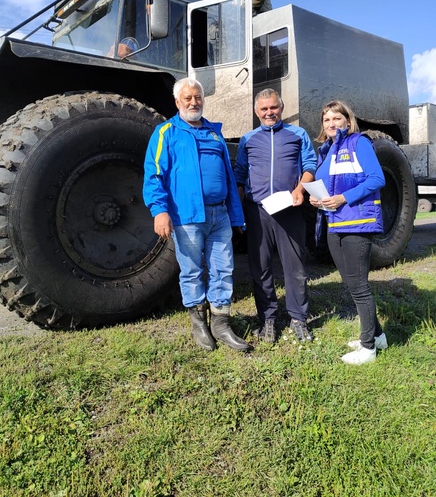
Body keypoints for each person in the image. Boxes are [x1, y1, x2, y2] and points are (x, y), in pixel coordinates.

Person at [143, 77, 250, 352]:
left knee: (223, 269)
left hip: (220, 215)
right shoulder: (166, 132)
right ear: (177, 102)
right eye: (187, 98)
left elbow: (227, 176)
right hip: (187, 216)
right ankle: (199, 323)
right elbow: (154, 175)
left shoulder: (214, 134)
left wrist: (236, 216)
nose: (194, 102)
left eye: (198, 97)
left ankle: (221, 323)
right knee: (192, 271)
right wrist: (160, 211)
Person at [234, 88, 317, 343]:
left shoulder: (297, 134)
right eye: (264, 109)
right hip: (257, 211)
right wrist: (238, 212)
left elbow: (310, 166)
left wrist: (300, 189)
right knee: (260, 268)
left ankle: (298, 319)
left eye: (273, 107)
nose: (269, 112)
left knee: (296, 267)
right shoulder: (247, 139)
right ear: (256, 112)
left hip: (289, 209)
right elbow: (239, 175)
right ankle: (268, 319)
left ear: (281, 108)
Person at [309, 100, 387, 365]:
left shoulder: (358, 143)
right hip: (334, 223)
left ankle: (368, 349)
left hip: (357, 222)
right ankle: (377, 336)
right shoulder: (327, 149)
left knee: (359, 286)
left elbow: (377, 178)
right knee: (351, 283)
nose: (331, 124)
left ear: (347, 120)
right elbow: (327, 185)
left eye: (336, 119)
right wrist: (317, 199)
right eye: (326, 120)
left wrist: (343, 198)